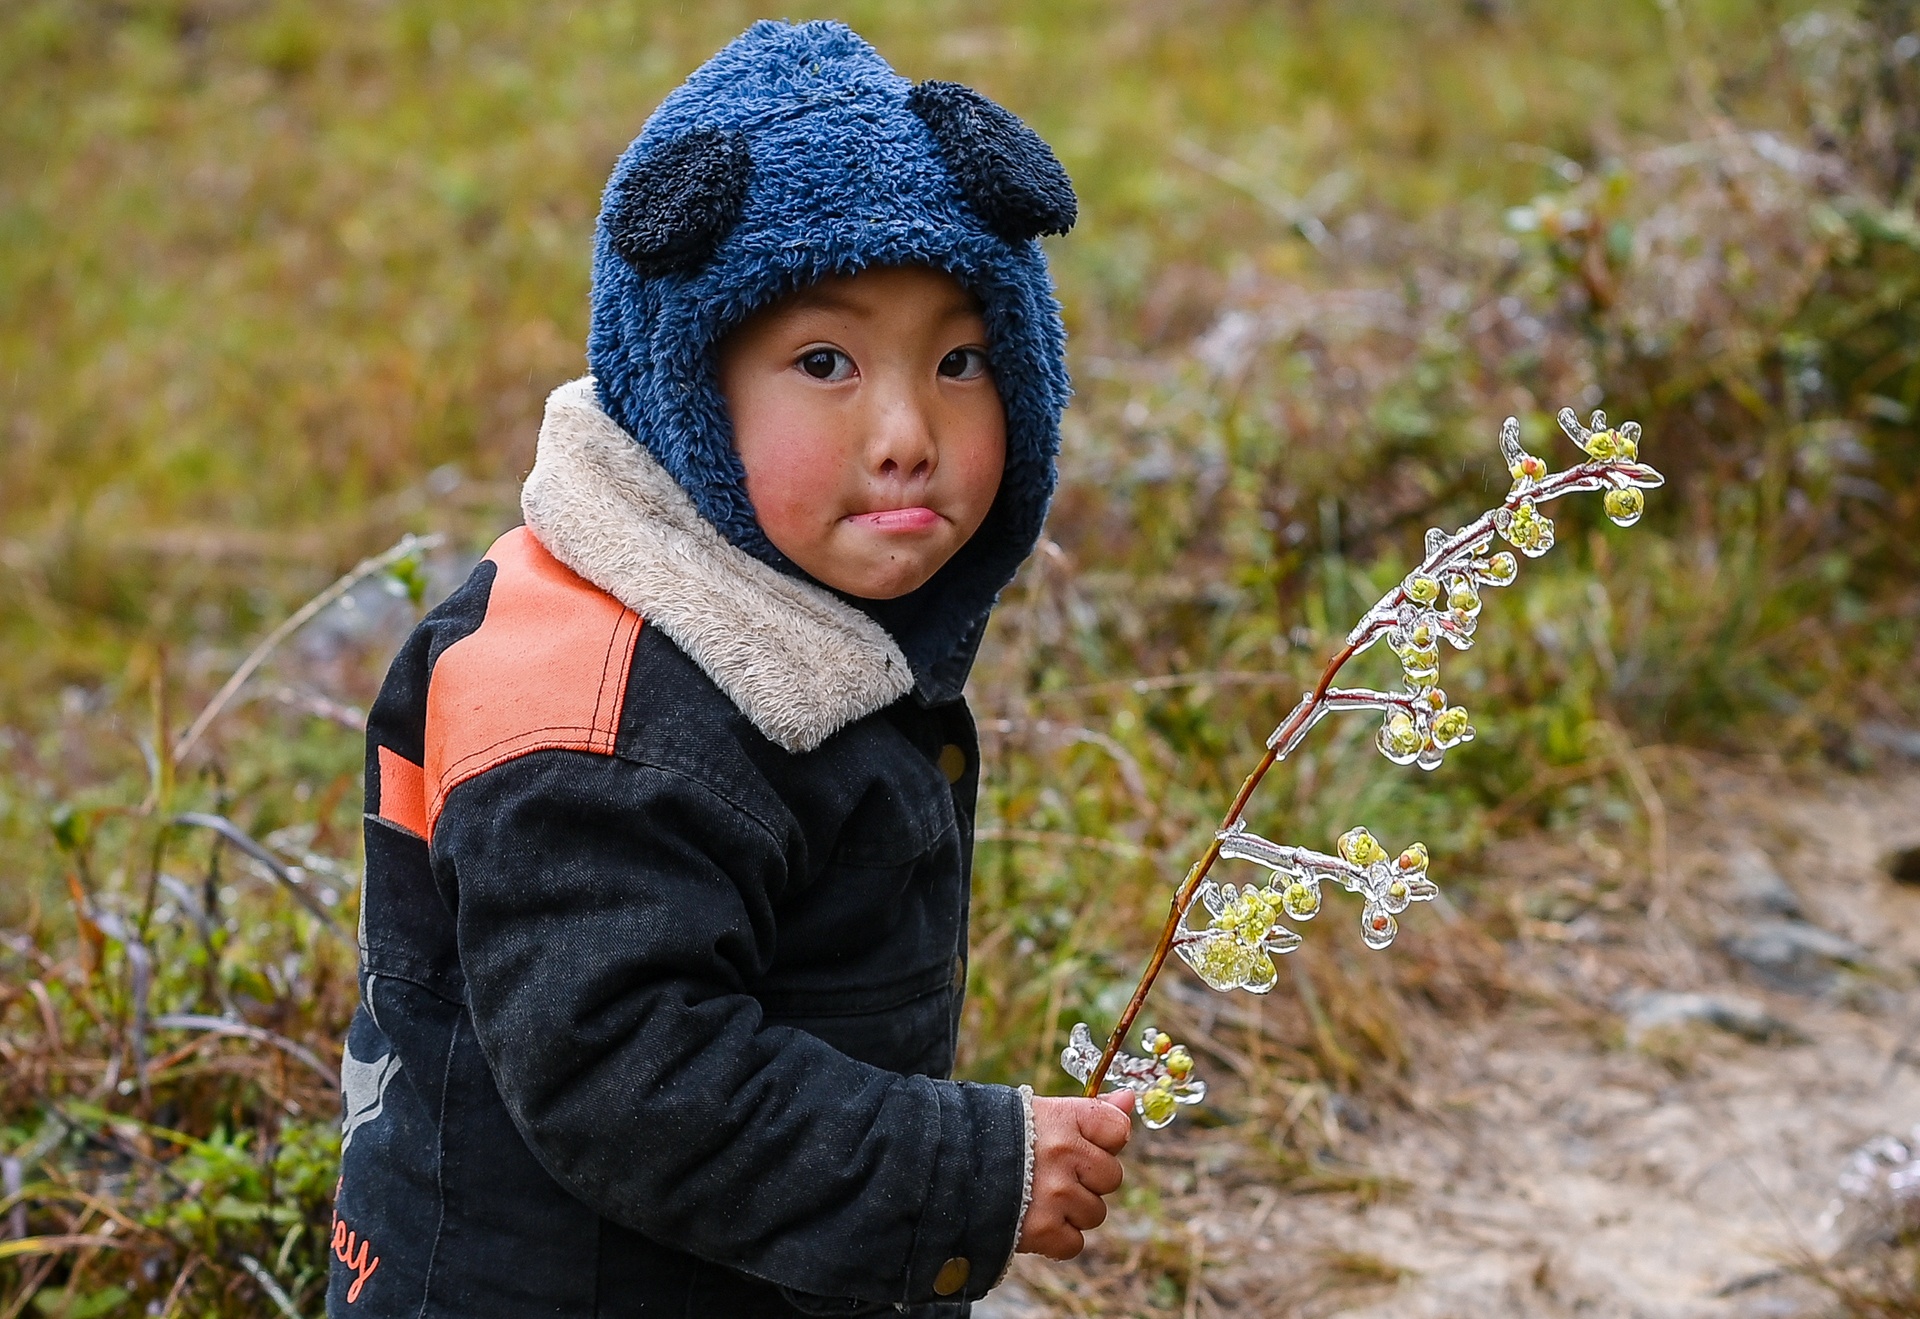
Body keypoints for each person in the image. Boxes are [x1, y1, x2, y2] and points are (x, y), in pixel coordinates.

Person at [330, 19, 1133, 1319]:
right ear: (687, 383)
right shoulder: (591, 714)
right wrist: (962, 1175)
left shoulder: (787, 609)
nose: (907, 434)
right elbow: (623, 1071)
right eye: (825, 362)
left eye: (961, 360)